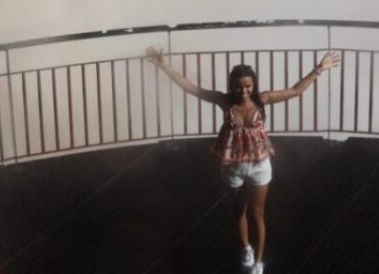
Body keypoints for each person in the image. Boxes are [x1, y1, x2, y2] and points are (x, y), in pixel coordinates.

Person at [145, 46, 340, 274]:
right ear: (232, 85)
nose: (243, 90)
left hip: (259, 166)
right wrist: (163, 66)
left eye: (248, 85)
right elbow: (193, 89)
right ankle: (246, 248)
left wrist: (319, 69)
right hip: (232, 167)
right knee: (238, 211)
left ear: (254, 84)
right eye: (239, 86)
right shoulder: (225, 102)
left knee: (257, 214)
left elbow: (296, 90)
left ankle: (258, 262)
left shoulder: (263, 100)